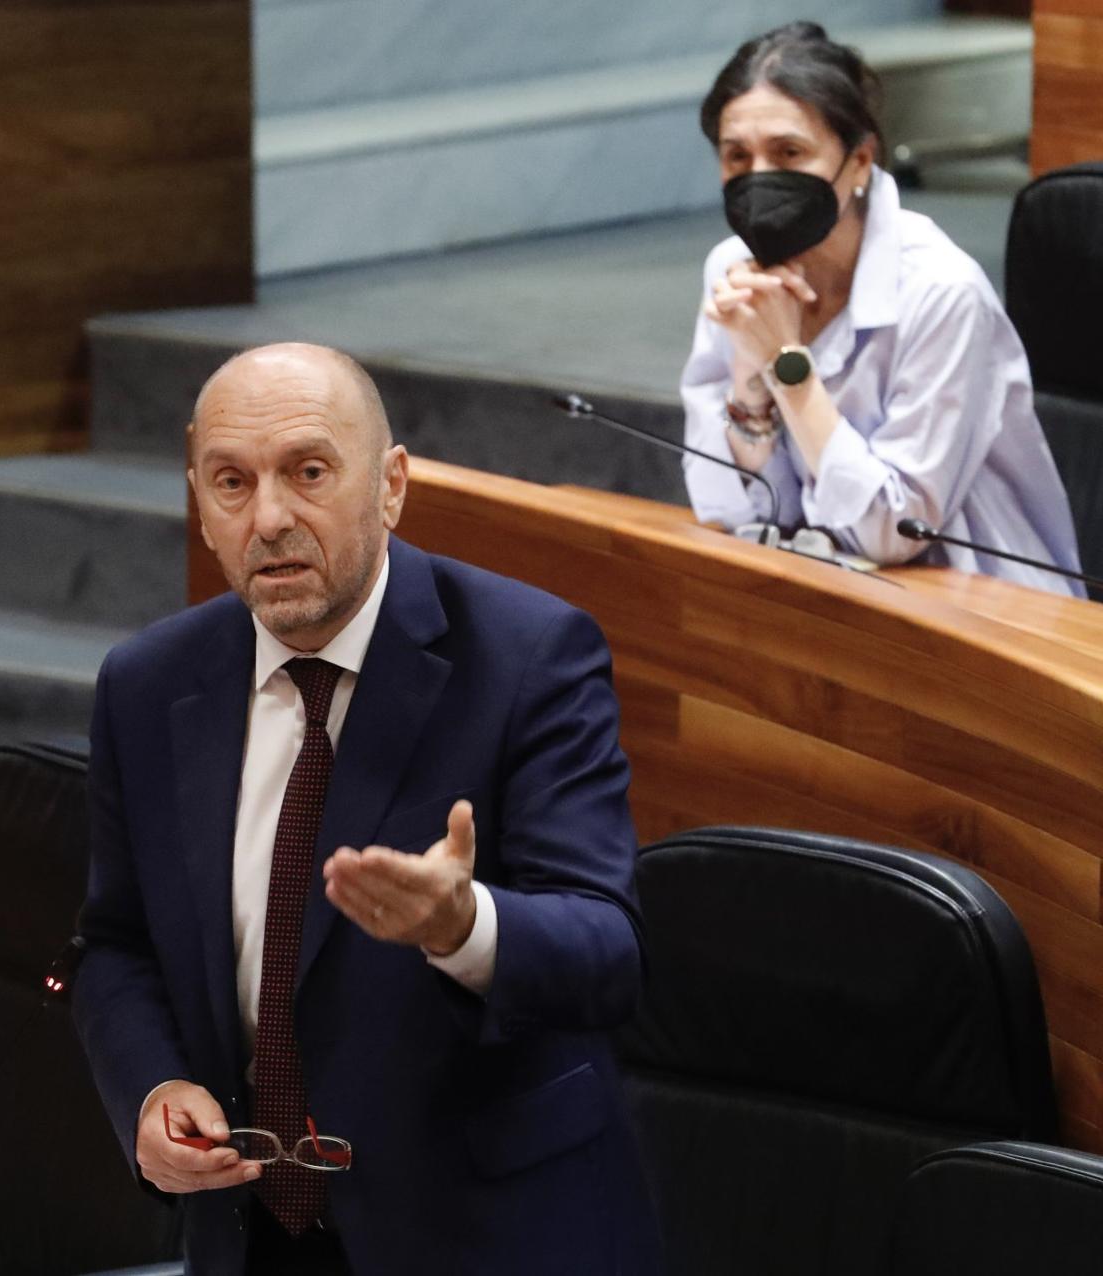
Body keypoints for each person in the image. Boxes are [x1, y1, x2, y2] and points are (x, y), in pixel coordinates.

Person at [72, 342, 662, 1276]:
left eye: (308, 473)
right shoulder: (149, 685)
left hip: (485, 1236)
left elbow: (608, 954)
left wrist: (464, 926)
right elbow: (113, 943)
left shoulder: (529, 657)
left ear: (389, 486)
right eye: (232, 482)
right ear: (200, 501)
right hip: (252, 1234)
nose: (268, 518)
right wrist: (149, 1089)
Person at [680, 22, 1085, 597]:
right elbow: (721, 502)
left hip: (983, 607)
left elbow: (892, 532)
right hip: (822, 583)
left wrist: (784, 362)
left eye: (789, 152)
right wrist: (750, 383)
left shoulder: (941, 291)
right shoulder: (733, 269)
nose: (759, 178)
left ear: (861, 160)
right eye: (736, 157)